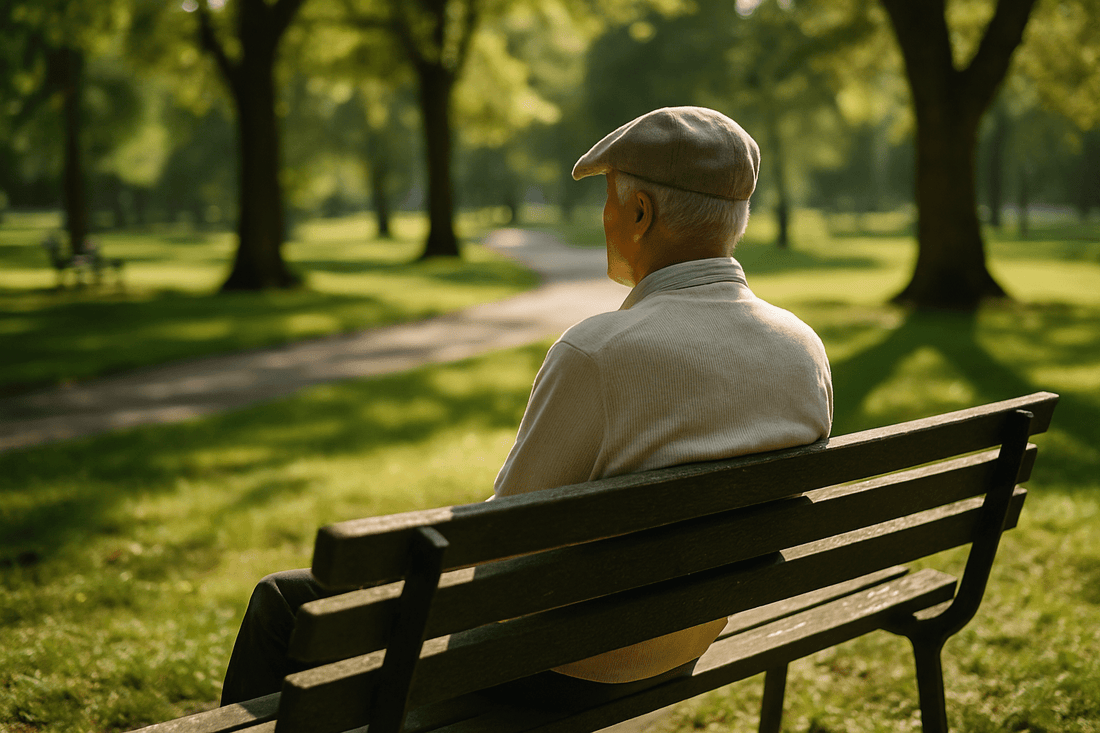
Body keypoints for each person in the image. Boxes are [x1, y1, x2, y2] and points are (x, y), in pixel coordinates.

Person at [219, 106, 833, 707]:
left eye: (611, 199)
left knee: (283, 604)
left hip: (554, 667)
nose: (606, 217)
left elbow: (501, 547)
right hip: (681, 646)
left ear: (640, 212)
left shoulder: (597, 351)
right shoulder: (802, 347)